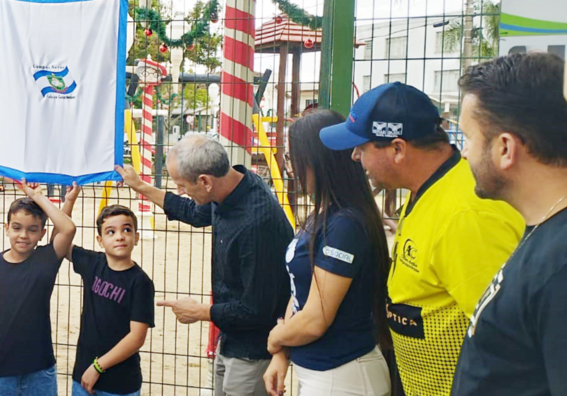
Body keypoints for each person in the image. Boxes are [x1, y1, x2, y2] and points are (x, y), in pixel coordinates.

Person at [319, 82, 524, 396]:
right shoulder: (427, 191)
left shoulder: (466, 215)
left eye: (363, 146)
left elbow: (513, 342)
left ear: (398, 149)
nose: (355, 156)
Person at [117, 134, 293, 396]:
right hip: (230, 337)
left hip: (254, 349)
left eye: (181, 185)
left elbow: (256, 309)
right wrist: (140, 186)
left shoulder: (257, 224)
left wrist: (200, 312)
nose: (180, 191)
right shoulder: (232, 187)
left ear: (204, 181)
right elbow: (192, 212)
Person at [451, 53, 567, 395]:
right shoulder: (544, 232)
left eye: (468, 138)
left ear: (505, 148)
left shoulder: (560, 267)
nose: (464, 153)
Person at [262, 110, 392, 396]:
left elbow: (315, 320)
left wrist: (275, 338)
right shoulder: (324, 214)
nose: (291, 168)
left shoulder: (345, 224)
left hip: (344, 374)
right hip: (324, 373)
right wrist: (281, 352)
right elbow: (301, 291)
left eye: (292, 158)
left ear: (316, 160)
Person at [0, 182, 78, 396]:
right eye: (17, 227)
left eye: (32, 230)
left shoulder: (45, 261)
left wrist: (39, 196)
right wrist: (0, 333)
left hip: (40, 368)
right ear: (6, 228)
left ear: (42, 233)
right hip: (2, 367)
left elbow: (67, 228)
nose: (23, 235)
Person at [60, 195, 155, 396]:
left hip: (120, 384)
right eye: (111, 232)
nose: (120, 236)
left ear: (136, 237)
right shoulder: (93, 263)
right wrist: (69, 202)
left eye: (126, 230)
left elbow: (136, 338)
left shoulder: (141, 283)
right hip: (83, 377)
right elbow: (58, 242)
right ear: (100, 240)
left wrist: (98, 367)